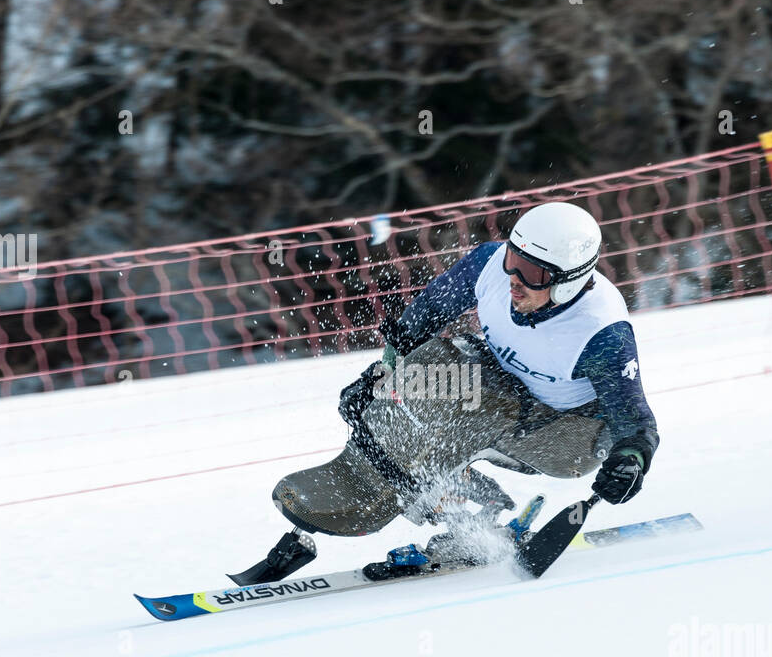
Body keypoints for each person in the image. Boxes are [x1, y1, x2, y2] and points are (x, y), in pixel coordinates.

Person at [230, 201, 660, 585]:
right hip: (508, 391)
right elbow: (419, 322)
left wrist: (630, 462)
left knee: (469, 398)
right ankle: (436, 491)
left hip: (570, 439)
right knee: (435, 361)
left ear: (570, 280)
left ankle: (417, 496)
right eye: (514, 259)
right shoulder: (490, 265)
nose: (513, 278)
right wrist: (381, 379)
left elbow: (636, 425)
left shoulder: (601, 333)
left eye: (532, 273)